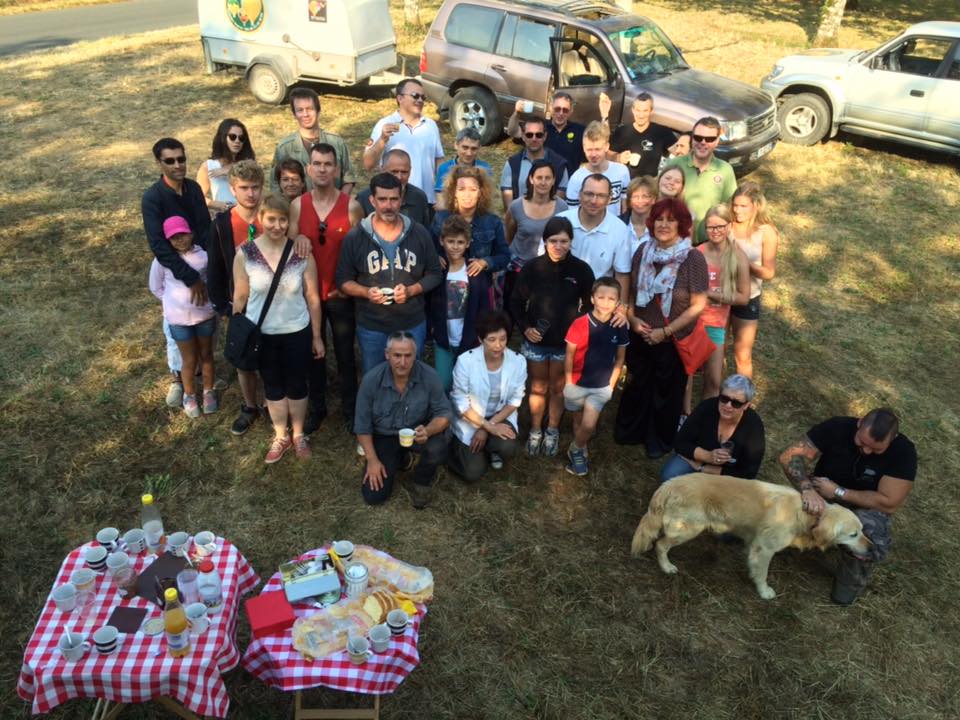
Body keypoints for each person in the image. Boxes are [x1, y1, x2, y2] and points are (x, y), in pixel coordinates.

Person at [779, 408, 917, 605]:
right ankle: (781, 540)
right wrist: (806, 488)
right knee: (789, 505)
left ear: (892, 439)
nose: (866, 451)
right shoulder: (838, 427)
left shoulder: (903, 453)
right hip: (821, 495)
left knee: (872, 535)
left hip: (863, 507)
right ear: (859, 423)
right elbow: (789, 457)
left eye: (876, 449)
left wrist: (839, 492)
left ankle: (849, 581)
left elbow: (889, 502)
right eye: (862, 443)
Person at [232, 194, 324, 464]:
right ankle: (280, 435)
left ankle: (298, 435)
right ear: (261, 219)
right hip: (263, 334)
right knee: (272, 385)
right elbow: (240, 296)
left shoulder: (300, 252)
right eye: (271, 219)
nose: (277, 225)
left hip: (297, 329)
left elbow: (313, 297)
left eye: (283, 220)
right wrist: (238, 334)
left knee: (297, 384)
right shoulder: (245, 253)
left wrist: (317, 336)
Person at [614, 198, 708, 458]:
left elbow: (698, 305)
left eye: (671, 220)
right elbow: (631, 291)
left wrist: (664, 332)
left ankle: (659, 439)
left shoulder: (693, 258)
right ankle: (632, 430)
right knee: (638, 384)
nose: (664, 224)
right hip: (640, 334)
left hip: (672, 338)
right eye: (659, 219)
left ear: (682, 225)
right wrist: (632, 318)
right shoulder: (642, 251)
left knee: (666, 392)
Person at [289, 143, 364, 433]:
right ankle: (317, 407)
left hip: (340, 295)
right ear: (309, 168)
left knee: (346, 355)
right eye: (316, 163)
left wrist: (350, 287)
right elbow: (291, 252)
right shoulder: (298, 205)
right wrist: (297, 240)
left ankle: (350, 409)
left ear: (336, 169)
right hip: (309, 297)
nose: (322, 169)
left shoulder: (352, 206)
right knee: (314, 354)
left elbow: (360, 252)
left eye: (327, 164)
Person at [336, 173, 442, 373]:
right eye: (382, 199)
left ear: (401, 200)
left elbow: (435, 274)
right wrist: (366, 292)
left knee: (411, 376)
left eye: (394, 199)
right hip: (372, 325)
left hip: (411, 322)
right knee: (375, 377)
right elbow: (343, 280)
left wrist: (412, 290)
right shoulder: (356, 237)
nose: (388, 205)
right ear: (372, 200)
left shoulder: (419, 233)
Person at [207, 160, 281, 436]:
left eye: (256, 187)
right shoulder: (222, 225)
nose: (251, 194)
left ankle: (272, 402)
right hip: (240, 304)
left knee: (272, 355)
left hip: (273, 302)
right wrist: (223, 306)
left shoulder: (271, 218)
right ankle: (249, 405)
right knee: (244, 358)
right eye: (244, 188)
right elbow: (214, 268)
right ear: (232, 189)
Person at [510, 216, 594, 457]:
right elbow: (515, 302)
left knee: (558, 388)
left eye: (564, 241)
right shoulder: (533, 268)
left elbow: (591, 305)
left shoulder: (581, 270)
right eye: (553, 241)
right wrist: (526, 328)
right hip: (536, 341)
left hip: (564, 344)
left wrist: (577, 331)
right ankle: (536, 429)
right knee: (537, 387)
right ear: (545, 241)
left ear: (571, 242)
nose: (559, 246)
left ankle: (553, 430)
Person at [142, 137, 212, 410]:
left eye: (181, 159)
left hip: (200, 260)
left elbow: (204, 229)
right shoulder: (153, 198)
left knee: (205, 323)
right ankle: (178, 378)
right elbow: (159, 245)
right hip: (172, 269)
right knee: (175, 330)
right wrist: (190, 278)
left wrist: (207, 270)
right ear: (159, 163)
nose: (177, 165)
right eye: (170, 161)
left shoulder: (193, 189)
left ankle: (204, 380)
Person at [355, 332, 452, 509]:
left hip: (417, 432)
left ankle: (422, 482)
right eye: (397, 355)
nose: (403, 362)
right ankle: (400, 457)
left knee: (438, 445)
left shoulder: (429, 376)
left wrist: (428, 431)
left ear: (416, 355)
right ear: (387, 355)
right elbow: (362, 426)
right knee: (374, 496)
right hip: (385, 435)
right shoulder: (371, 380)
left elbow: (445, 413)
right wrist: (372, 460)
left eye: (408, 356)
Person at [148, 217, 218, 418]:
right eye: (174, 238)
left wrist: (210, 302)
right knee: (188, 359)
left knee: (206, 355)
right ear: (168, 240)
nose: (179, 240)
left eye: (183, 235)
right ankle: (189, 395)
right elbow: (156, 286)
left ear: (191, 233)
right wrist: (170, 301)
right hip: (179, 321)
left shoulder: (204, 256)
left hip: (204, 316)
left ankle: (208, 391)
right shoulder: (162, 260)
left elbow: (212, 281)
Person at [448, 310, 526, 481]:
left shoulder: (518, 362)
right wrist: (486, 426)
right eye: (491, 340)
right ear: (480, 339)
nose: (498, 345)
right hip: (470, 418)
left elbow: (514, 401)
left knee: (508, 447)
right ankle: (454, 449)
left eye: (503, 339)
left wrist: (486, 427)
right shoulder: (465, 362)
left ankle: (491, 448)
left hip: (499, 417)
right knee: (472, 473)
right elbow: (461, 403)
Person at [562, 277, 629, 476]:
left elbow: (620, 359)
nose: (605, 302)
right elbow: (569, 355)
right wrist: (567, 382)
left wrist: (610, 385)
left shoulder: (620, 325)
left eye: (611, 299)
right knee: (578, 418)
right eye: (601, 297)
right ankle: (581, 449)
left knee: (589, 424)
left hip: (601, 387)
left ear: (618, 302)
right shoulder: (579, 324)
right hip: (576, 382)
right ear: (592, 298)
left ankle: (575, 447)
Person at [660, 374, 765, 483]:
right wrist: (707, 456)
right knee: (670, 475)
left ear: (746, 405)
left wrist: (704, 469)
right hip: (697, 458)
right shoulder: (706, 408)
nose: (728, 405)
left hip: (726, 474)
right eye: (724, 398)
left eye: (736, 403)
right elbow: (680, 443)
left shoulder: (754, 426)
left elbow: (748, 473)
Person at [427, 216, 490, 391]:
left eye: (460, 242)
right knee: (443, 384)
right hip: (443, 339)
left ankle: (462, 418)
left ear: (468, 243)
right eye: (450, 241)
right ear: (441, 241)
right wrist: (431, 326)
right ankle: (444, 417)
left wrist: (481, 332)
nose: (455, 246)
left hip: (469, 339)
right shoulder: (437, 268)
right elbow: (427, 300)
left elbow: (485, 306)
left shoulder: (474, 271)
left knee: (465, 386)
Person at [695, 205, 750, 402]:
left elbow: (744, 297)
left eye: (720, 226)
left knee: (714, 380)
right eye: (710, 227)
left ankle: (705, 416)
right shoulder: (697, 253)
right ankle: (684, 414)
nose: (715, 231)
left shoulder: (738, 257)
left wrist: (711, 293)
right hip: (692, 320)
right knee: (687, 375)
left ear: (729, 226)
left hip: (716, 323)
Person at [364, 78, 445, 204]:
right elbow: (368, 164)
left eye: (423, 97)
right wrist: (382, 140)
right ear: (400, 98)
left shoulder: (431, 125)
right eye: (415, 96)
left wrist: (441, 194)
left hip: (427, 201)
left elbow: (439, 161)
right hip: (396, 202)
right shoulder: (384, 124)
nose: (420, 100)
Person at [729, 181, 779, 379]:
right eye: (735, 205)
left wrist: (744, 263)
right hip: (722, 294)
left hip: (749, 298)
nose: (738, 211)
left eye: (743, 206)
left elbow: (769, 272)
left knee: (742, 355)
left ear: (756, 206)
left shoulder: (766, 232)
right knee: (716, 348)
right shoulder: (727, 224)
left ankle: (743, 401)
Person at [503, 159, 569, 310]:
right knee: (512, 307)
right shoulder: (516, 206)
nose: (543, 182)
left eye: (548, 178)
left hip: (548, 267)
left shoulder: (562, 207)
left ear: (553, 181)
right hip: (518, 266)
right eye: (539, 177)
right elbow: (509, 235)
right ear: (531, 179)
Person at [558, 174, 632, 303]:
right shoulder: (561, 221)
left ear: (609, 199)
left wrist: (622, 308)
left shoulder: (620, 229)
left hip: (599, 303)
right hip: (559, 296)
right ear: (579, 195)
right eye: (589, 194)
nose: (594, 200)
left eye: (601, 196)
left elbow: (622, 274)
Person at [271, 87, 355, 195]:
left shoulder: (337, 143)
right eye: (300, 110)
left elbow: (349, 179)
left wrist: (338, 203)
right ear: (294, 114)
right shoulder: (284, 148)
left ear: (318, 110)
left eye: (310, 109)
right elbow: (275, 185)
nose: (305, 114)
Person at [666, 116, 736, 244]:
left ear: (717, 141)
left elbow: (729, 208)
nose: (703, 142)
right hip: (674, 239)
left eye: (709, 139)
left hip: (709, 242)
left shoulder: (725, 170)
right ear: (692, 138)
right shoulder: (674, 164)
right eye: (698, 137)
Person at [431, 164, 510, 278]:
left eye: (473, 189)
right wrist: (435, 257)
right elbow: (427, 249)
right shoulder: (440, 218)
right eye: (461, 189)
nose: (467, 194)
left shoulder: (493, 222)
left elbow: (504, 256)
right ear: (454, 192)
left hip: (479, 284)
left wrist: (485, 262)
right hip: (445, 283)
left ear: (480, 193)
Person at [507, 92, 586, 176]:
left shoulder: (579, 131)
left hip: (567, 184)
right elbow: (513, 131)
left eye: (565, 110)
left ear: (571, 111)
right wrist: (517, 113)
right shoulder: (540, 128)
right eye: (557, 109)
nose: (561, 113)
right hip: (541, 182)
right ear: (551, 108)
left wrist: (602, 117)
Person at [499, 115, 569, 209]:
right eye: (529, 135)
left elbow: (558, 205)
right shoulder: (512, 164)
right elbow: (509, 206)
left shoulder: (559, 165)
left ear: (545, 136)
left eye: (539, 135)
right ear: (523, 136)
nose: (534, 139)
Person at [601, 92, 676, 179]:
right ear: (633, 110)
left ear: (651, 111)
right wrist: (618, 157)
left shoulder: (661, 132)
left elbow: (680, 152)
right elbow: (607, 155)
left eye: (645, 111)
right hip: (626, 182)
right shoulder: (622, 131)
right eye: (638, 110)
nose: (641, 115)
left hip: (650, 184)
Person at [565, 121, 631, 217]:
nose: (593, 155)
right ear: (583, 148)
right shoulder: (576, 179)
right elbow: (572, 215)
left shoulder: (622, 171)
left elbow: (625, 207)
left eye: (597, 149)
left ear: (606, 147)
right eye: (589, 150)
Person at [356, 148, 432, 228]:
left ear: (410, 171)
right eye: (394, 172)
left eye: (404, 172)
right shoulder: (363, 199)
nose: (399, 177)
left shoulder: (419, 197)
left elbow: (424, 233)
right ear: (382, 170)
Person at [197, 118, 256, 214]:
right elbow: (197, 197)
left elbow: (257, 191)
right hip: (223, 218)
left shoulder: (249, 164)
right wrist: (218, 204)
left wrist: (231, 170)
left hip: (247, 216)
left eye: (241, 138)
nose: (237, 141)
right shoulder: (208, 166)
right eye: (233, 137)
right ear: (223, 138)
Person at [434, 127, 492, 205]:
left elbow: (487, 197)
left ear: (479, 148)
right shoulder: (445, 168)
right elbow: (440, 197)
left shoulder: (485, 168)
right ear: (456, 145)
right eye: (465, 147)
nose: (469, 153)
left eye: (474, 149)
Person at [620, 175, 657, 257]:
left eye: (645, 196)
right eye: (635, 196)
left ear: (653, 200)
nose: (640, 201)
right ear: (629, 201)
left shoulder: (660, 226)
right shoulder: (617, 224)